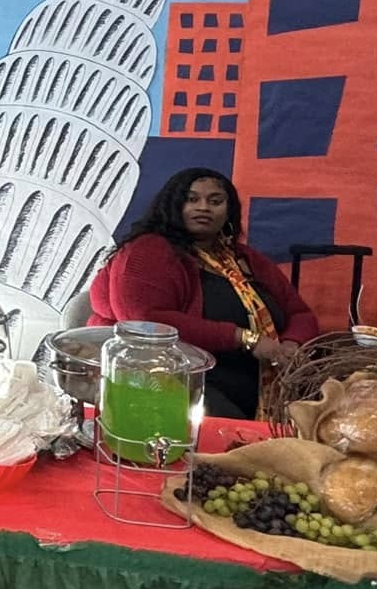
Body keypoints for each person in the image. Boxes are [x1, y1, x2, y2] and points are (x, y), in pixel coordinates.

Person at [88, 167, 321, 420]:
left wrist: (290, 345)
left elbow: (299, 313)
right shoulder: (148, 251)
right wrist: (244, 338)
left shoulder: (243, 257)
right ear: (173, 205)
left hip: (265, 378)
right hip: (176, 378)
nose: (204, 208)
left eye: (215, 201)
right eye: (191, 199)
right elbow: (145, 322)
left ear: (229, 211)